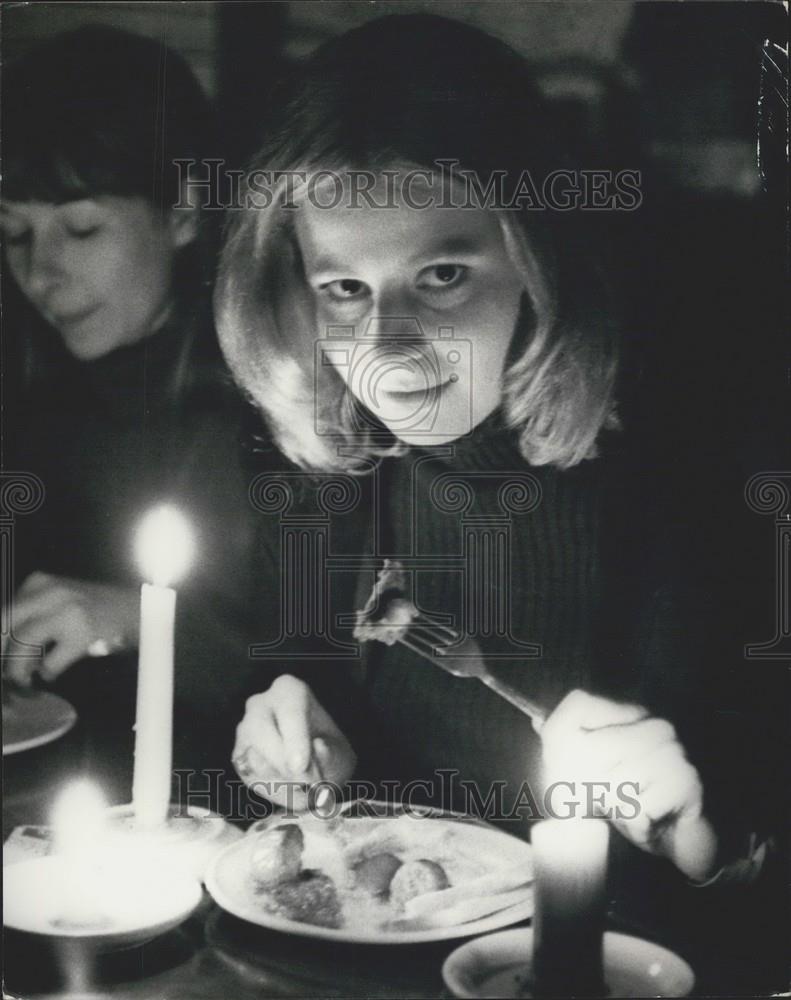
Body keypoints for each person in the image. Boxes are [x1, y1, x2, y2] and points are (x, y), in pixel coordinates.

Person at [215, 15, 768, 886]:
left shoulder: (704, 479)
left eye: (442, 275)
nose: (388, 346)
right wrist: (294, 744)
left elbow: (749, 886)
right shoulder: (332, 479)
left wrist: (704, 839)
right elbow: (330, 797)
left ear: (535, 258)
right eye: (346, 288)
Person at [1, 26, 259, 801]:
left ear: (183, 213)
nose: (42, 274)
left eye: (81, 229)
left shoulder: (268, 405)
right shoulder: (30, 386)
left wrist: (133, 616)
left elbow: (337, 672)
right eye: (13, 233)